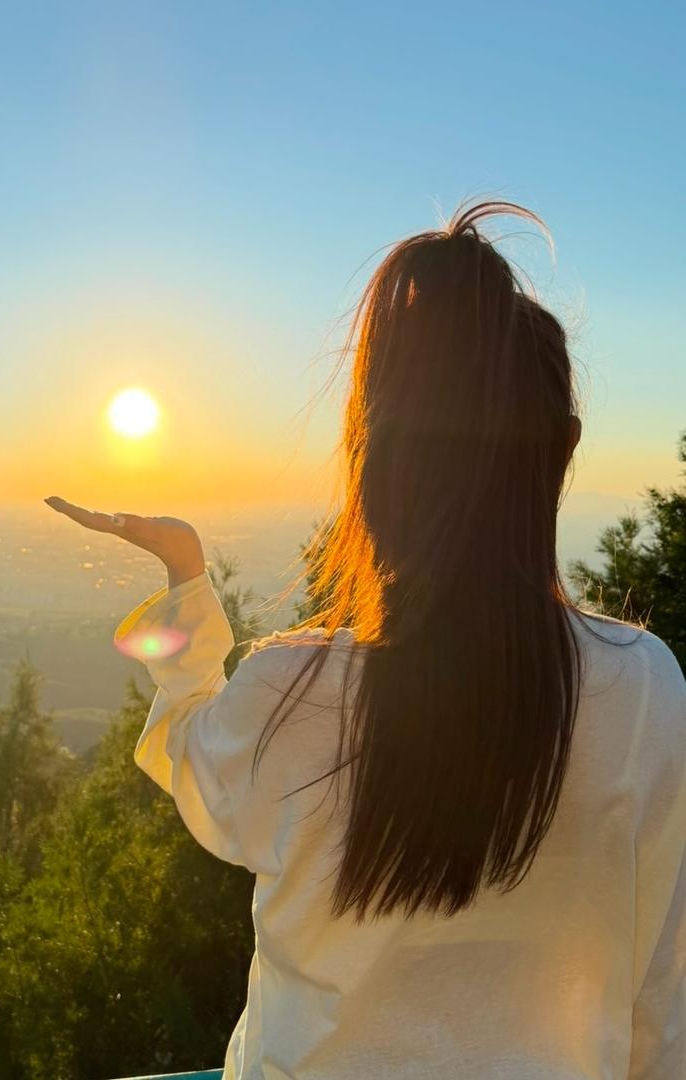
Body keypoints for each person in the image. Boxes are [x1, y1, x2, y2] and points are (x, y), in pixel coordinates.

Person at [44, 201, 685, 1080]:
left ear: (372, 454)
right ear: (563, 449)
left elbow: (193, 765)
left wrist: (188, 579)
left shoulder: (292, 694)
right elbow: (662, 995)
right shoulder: (644, 690)